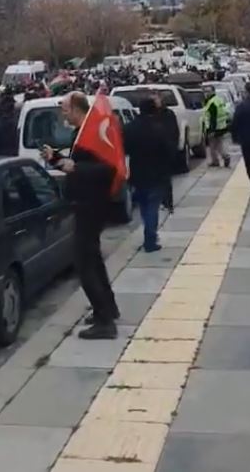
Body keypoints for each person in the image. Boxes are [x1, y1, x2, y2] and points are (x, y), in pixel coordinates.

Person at [42, 92, 121, 339]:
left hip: (92, 205)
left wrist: (75, 167)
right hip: (85, 203)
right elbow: (74, 166)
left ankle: (105, 322)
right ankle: (106, 308)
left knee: (84, 262)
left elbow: (106, 168)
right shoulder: (82, 133)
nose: (63, 114)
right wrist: (55, 159)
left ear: (77, 109)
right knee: (93, 259)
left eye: (65, 109)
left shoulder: (94, 132)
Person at [123, 97, 174, 253]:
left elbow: (125, 149)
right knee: (152, 207)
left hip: (138, 173)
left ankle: (148, 234)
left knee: (145, 207)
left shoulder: (130, 128)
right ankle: (150, 240)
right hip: (157, 174)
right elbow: (169, 151)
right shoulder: (159, 128)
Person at [152, 92, 180, 212]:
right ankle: (161, 201)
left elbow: (174, 132)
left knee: (165, 178)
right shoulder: (152, 115)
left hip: (166, 150)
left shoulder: (168, 114)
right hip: (154, 151)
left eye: (156, 99)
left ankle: (168, 202)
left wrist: (172, 147)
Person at [200, 85, 232, 168]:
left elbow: (212, 118)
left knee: (213, 146)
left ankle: (217, 161)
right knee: (219, 144)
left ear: (213, 91)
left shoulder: (212, 102)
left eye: (208, 91)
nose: (206, 93)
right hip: (221, 126)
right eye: (205, 91)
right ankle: (224, 157)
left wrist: (211, 130)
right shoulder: (218, 100)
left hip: (214, 127)